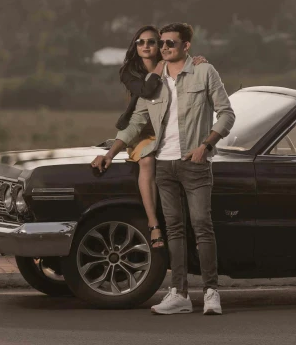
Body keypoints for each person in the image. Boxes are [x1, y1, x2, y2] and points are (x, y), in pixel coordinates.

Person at [91, 22, 235, 316]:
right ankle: (179, 294)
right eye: (163, 43)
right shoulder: (154, 82)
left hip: (193, 163)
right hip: (163, 166)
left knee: (202, 227)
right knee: (175, 231)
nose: (165, 47)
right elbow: (136, 123)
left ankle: (211, 292)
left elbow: (227, 113)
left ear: (186, 46)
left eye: (171, 43)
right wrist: (111, 152)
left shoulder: (204, 72)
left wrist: (206, 146)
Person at [92, 26, 207, 250]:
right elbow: (145, 91)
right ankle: (154, 224)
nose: (145, 46)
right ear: (135, 46)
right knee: (147, 160)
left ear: (159, 45)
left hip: (167, 128)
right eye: (140, 42)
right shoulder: (129, 71)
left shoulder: (172, 66)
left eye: (151, 42)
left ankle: (188, 224)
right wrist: (110, 154)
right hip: (142, 128)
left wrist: (197, 61)